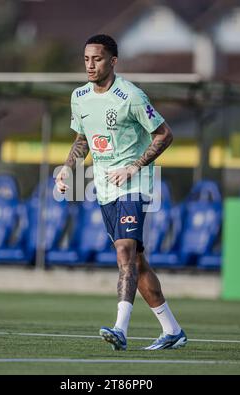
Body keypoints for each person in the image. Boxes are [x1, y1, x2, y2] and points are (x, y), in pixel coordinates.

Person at [55, 34, 187, 351]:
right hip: (103, 188)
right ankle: (173, 331)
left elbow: (164, 135)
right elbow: (82, 140)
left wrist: (134, 167)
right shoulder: (80, 97)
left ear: (113, 61)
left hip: (135, 184)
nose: (90, 65)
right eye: (86, 59)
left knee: (125, 252)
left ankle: (120, 329)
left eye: (97, 59)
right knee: (138, 264)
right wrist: (67, 168)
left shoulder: (131, 96)